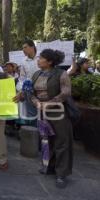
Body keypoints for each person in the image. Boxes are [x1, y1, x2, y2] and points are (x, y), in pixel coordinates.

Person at [31, 49, 73, 189]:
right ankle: (49, 167)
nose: (38, 60)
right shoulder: (36, 74)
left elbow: (66, 92)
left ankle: (61, 174)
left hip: (58, 113)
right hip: (42, 112)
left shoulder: (61, 74)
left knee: (61, 142)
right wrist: (36, 102)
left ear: (49, 61)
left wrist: (50, 103)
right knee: (46, 141)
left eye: (41, 58)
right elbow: (31, 92)